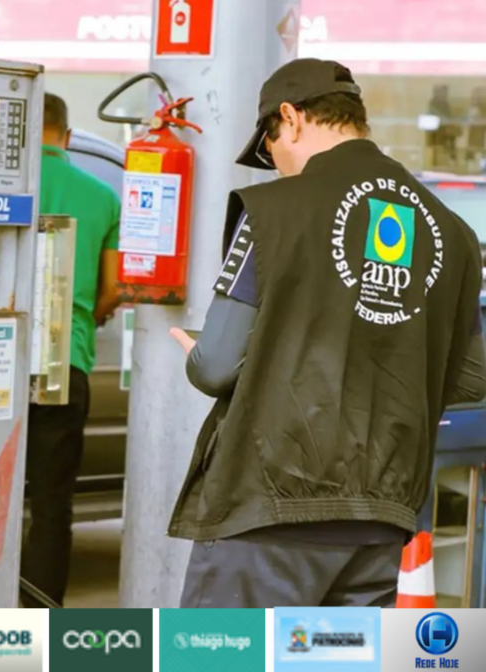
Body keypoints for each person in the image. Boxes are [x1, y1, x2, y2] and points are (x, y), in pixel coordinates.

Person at [168, 58, 486, 608]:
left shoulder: (275, 211)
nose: (276, 165)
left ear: (290, 119)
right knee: (336, 652)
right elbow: (472, 379)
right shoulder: (453, 233)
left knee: (218, 650)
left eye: (269, 148)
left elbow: (216, 365)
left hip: (267, 508)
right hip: (382, 517)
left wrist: (206, 355)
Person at [20, 92, 122, 606]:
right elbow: (113, 290)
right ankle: (41, 613)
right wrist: (90, 316)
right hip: (66, 364)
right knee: (52, 505)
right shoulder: (102, 195)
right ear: (67, 136)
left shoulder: (5, 183)